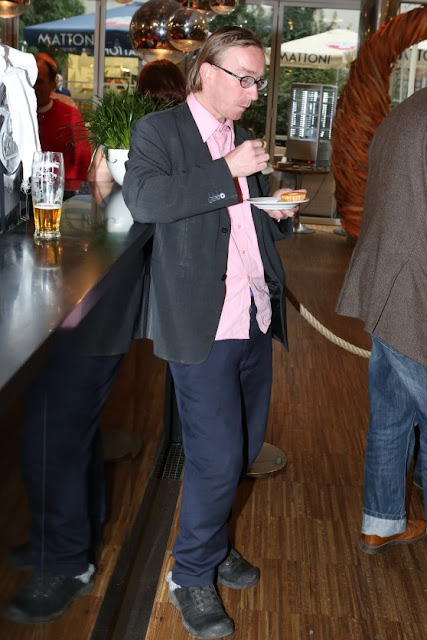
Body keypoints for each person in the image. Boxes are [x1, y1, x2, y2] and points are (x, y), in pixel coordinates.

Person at [122, 26, 301, 639]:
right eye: (244, 79)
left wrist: (280, 212)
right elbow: (145, 200)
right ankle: (191, 575)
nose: (253, 92)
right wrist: (227, 169)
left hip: (255, 312)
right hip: (203, 322)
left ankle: (213, 544)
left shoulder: (243, 136)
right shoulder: (160, 132)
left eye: (258, 81)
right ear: (205, 72)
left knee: (243, 449)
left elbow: (247, 224)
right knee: (217, 456)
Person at [1, 59, 187, 625]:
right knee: (63, 425)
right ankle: (65, 535)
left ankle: (66, 561)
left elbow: (132, 205)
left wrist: (103, 186)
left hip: (98, 308)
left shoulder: (161, 140)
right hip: (95, 300)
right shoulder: (159, 138)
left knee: (53, 429)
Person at [335, 87, 427, 555]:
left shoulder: (405, 112)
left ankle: (382, 522)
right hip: (414, 292)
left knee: (392, 411)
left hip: (385, 284)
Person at [34, 53, 90, 185]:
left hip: (62, 189)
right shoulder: (12, 115)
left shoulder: (70, 115)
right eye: (28, 81)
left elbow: (82, 161)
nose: (33, 87)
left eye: (38, 82)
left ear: (52, 84)